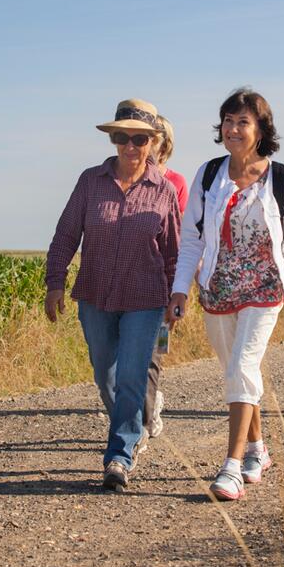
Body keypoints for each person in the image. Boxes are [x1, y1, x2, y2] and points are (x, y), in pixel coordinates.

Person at [167, 87, 284, 501]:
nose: (233, 129)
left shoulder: (281, 179)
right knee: (237, 371)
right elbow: (192, 240)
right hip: (218, 287)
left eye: (243, 122)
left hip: (265, 286)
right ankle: (257, 448)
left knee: (242, 365)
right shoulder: (208, 174)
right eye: (228, 121)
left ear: (260, 129)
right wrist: (180, 288)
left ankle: (231, 467)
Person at [45, 99, 180, 490]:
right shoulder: (90, 181)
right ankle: (131, 425)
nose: (131, 146)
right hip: (95, 296)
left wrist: (176, 296)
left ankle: (119, 455)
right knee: (106, 374)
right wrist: (55, 282)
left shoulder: (164, 191)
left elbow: (173, 250)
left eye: (140, 139)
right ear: (114, 139)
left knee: (133, 378)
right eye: (122, 137)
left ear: (153, 142)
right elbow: (66, 233)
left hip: (146, 298)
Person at [144, 115, 189, 438]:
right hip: (129, 279)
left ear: (164, 143)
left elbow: (181, 235)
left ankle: (148, 410)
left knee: (154, 351)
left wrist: (180, 286)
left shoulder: (176, 182)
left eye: (152, 138)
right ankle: (139, 407)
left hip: (164, 280)